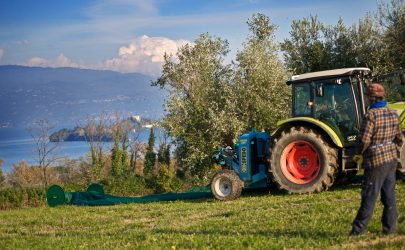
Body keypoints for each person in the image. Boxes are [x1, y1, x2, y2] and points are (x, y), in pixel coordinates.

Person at [351, 83, 402, 235]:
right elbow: (399, 138)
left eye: (368, 97)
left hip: (375, 162)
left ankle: (358, 231)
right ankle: (390, 229)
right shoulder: (393, 113)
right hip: (391, 160)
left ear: (372, 98)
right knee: (389, 196)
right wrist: (391, 149)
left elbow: (364, 140)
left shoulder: (371, 115)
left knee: (369, 195)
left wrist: (358, 153)